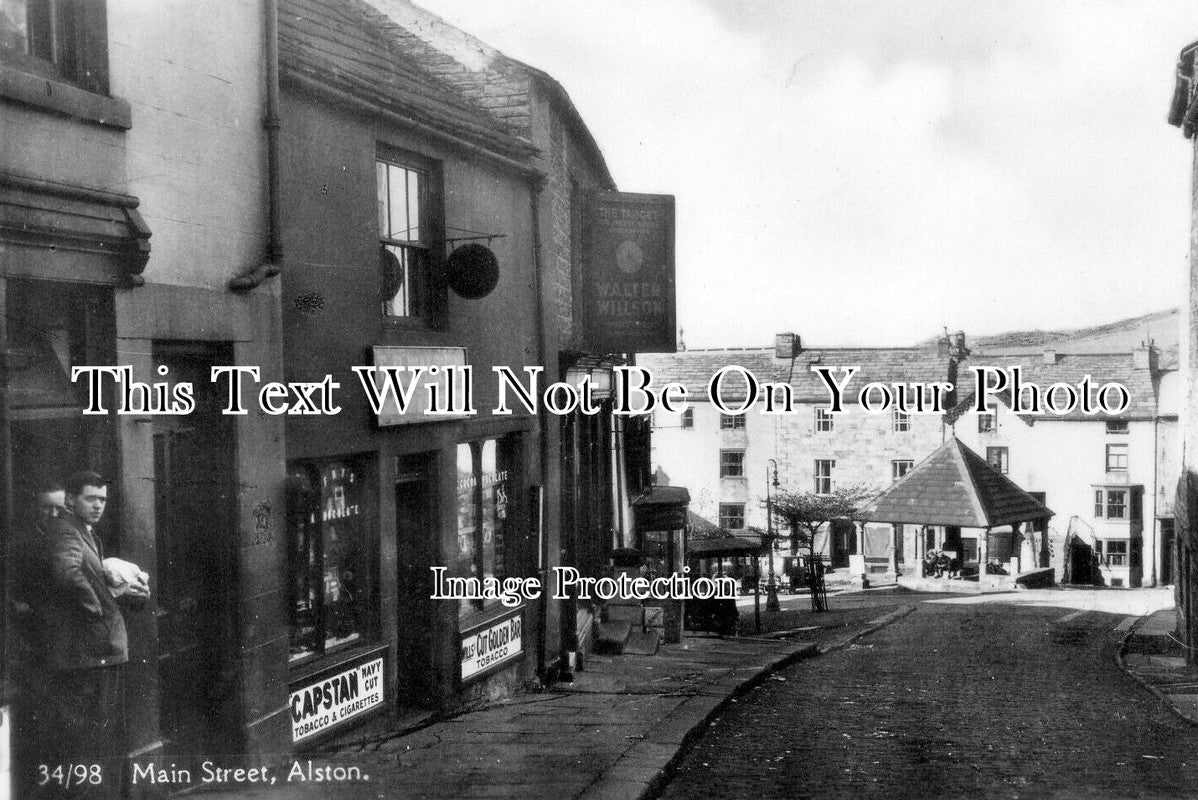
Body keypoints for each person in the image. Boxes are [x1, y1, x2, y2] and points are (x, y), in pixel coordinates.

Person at [36, 471, 147, 797]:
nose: (99, 505)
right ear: (71, 499)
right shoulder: (67, 532)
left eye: (102, 500)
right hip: (89, 654)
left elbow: (86, 577)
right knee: (89, 742)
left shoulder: (83, 532)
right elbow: (68, 573)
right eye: (91, 498)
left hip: (95, 652)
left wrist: (118, 595)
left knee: (96, 740)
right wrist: (97, 609)